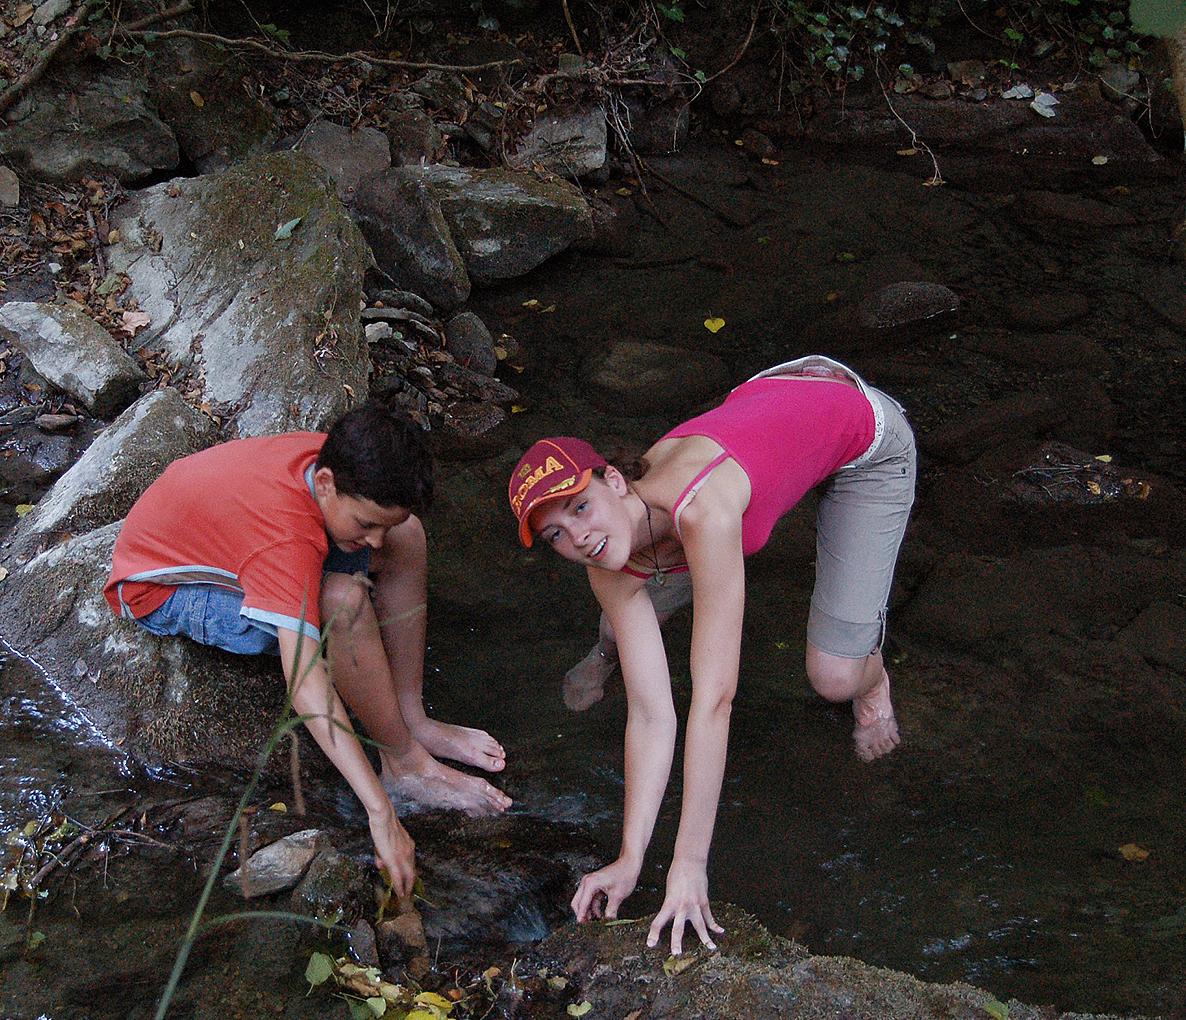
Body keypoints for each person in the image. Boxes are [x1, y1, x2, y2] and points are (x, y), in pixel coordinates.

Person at [507, 355, 915, 953]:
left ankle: (871, 679)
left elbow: (714, 699)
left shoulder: (705, 510)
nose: (578, 537)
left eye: (580, 507)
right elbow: (651, 714)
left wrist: (688, 866)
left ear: (614, 480)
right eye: (555, 536)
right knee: (620, 587)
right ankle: (611, 643)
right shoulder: (610, 542)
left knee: (832, 676)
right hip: (771, 407)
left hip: (862, 435)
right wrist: (630, 857)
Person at [107, 403, 511, 897]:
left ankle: (413, 719)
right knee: (342, 602)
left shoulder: (335, 462)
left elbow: (382, 528)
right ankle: (402, 763)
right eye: (365, 524)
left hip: (222, 535)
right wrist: (380, 811)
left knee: (407, 539)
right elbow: (304, 683)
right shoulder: (286, 538)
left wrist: (377, 531)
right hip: (160, 589)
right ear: (324, 484)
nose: (374, 539)